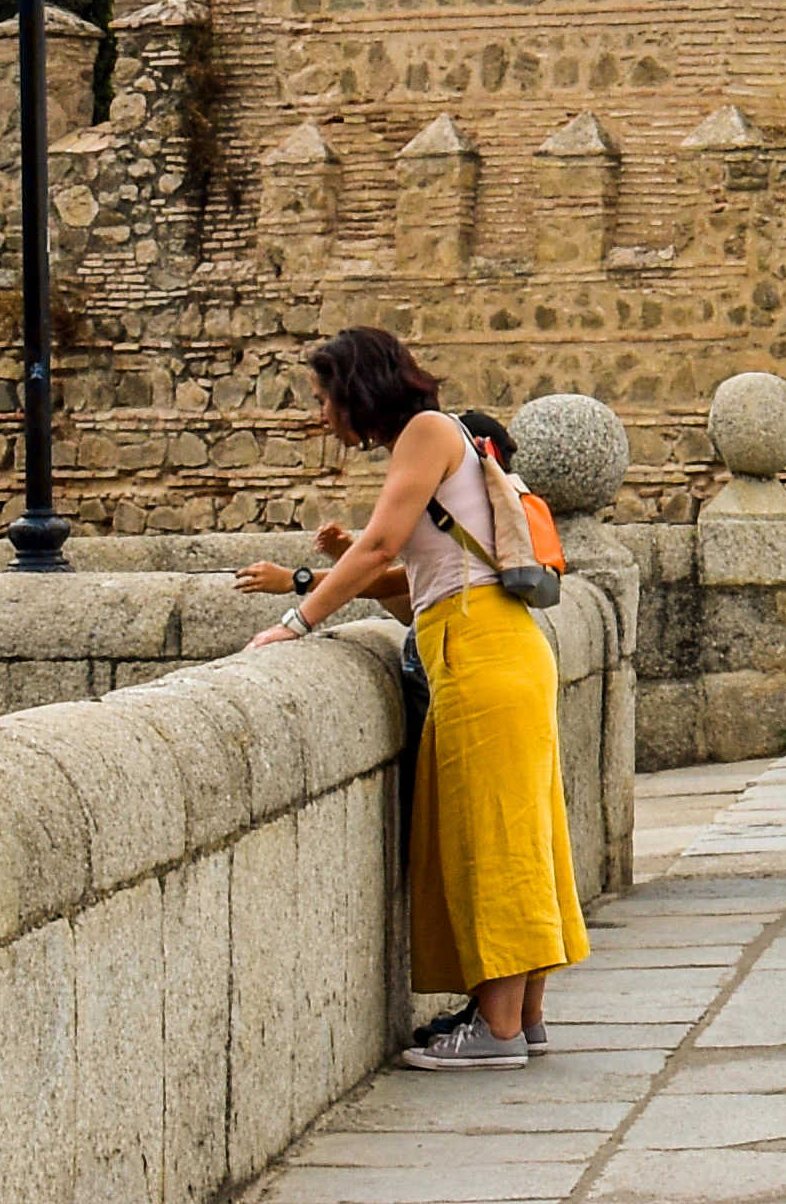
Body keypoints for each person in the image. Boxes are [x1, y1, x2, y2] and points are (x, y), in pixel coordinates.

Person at [230, 325, 582, 1067]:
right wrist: (318, 582)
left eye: (326, 398)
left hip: (484, 653)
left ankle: (498, 1033)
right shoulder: (447, 437)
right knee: (520, 830)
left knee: (490, 838)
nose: (323, 415)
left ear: (357, 390)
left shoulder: (424, 433)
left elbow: (382, 545)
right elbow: (412, 582)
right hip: (497, 642)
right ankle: (525, 1015)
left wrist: (297, 621)